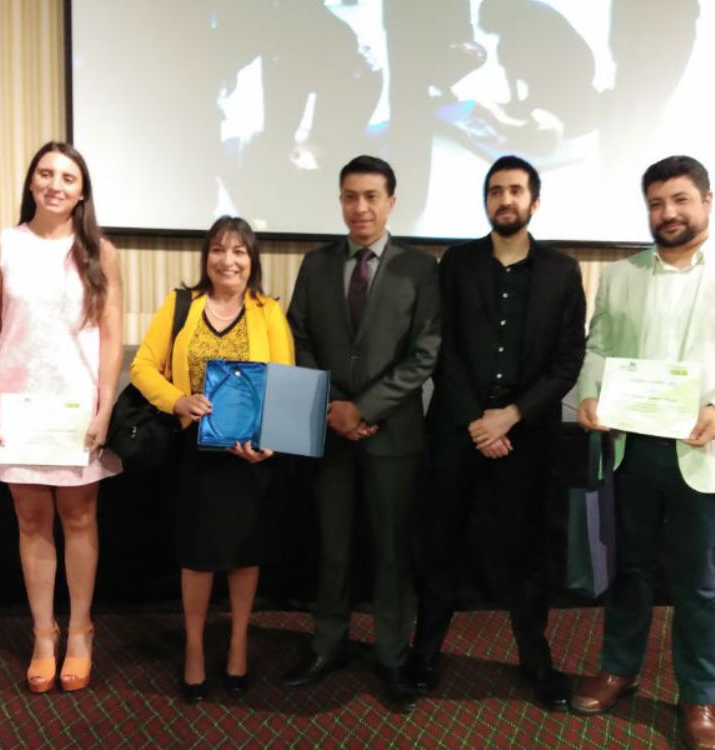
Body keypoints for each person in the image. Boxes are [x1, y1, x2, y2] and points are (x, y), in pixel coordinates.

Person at [572, 155, 715, 750]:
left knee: (698, 583)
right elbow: (599, 348)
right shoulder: (621, 276)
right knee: (629, 572)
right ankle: (618, 669)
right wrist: (591, 393)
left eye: (679, 200)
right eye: (655, 203)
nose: (667, 213)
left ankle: (698, 695)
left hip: (709, 452)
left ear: (707, 201)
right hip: (633, 449)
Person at [410, 155, 586, 709]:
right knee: (441, 542)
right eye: (495, 191)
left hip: (527, 436)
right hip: (457, 431)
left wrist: (510, 416)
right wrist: (477, 421)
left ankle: (535, 658)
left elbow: (567, 361)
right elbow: (440, 349)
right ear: (486, 201)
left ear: (534, 201)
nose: (504, 199)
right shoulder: (455, 263)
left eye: (515, 190)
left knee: (528, 552)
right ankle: (425, 651)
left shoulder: (562, 271)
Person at [283, 155, 441, 713]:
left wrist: (365, 408)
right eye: (350, 196)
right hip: (330, 430)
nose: (360, 207)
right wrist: (334, 407)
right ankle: (327, 645)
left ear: (391, 202)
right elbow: (298, 335)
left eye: (372, 196)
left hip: (393, 436)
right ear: (340, 201)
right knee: (333, 548)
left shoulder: (420, 268)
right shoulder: (316, 263)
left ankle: (393, 657)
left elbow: (425, 352)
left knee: (393, 553)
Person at [0, 141, 123, 693]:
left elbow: (113, 336)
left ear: (82, 192)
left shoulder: (100, 251)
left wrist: (106, 405)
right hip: (18, 406)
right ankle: (44, 634)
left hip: (76, 408)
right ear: (31, 181)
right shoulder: (3, 245)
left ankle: (80, 631)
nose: (55, 185)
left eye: (67, 177)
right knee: (31, 520)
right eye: (45, 173)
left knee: (79, 518)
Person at [129, 216, 295, 704]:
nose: (228, 260)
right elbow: (142, 366)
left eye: (239, 251)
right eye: (219, 250)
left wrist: (270, 443)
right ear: (206, 257)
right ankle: (195, 648)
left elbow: (284, 383)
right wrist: (177, 401)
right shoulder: (182, 304)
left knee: (245, 555)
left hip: (247, 457)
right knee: (197, 557)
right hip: (194, 455)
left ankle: (239, 643)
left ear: (252, 260)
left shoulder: (268, 311)